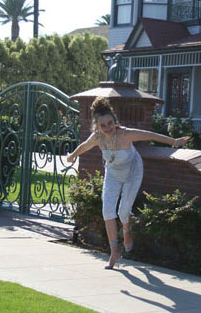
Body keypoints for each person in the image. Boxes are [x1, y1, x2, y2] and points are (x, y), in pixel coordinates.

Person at [66, 97, 190, 269]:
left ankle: (127, 230)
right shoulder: (97, 138)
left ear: (115, 121)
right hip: (113, 174)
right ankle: (114, 251)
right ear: (97, 126)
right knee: (108, 211)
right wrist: (72, 156)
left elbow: (150, 135)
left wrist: (175, 142)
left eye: (110, 123)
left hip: (133, 171)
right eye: (103, 125)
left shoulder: (126, 134)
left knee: (123, 211)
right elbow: (83, 147)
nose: (108, 128)